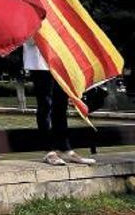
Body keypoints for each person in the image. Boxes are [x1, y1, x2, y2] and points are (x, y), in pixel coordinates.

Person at [24, 37, 96, 166]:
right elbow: (27, 38)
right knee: (46, 105)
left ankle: (65, 149)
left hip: (60, 62)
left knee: (61, 105)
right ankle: (49, 151)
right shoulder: (29, 16)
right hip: (40, 64)